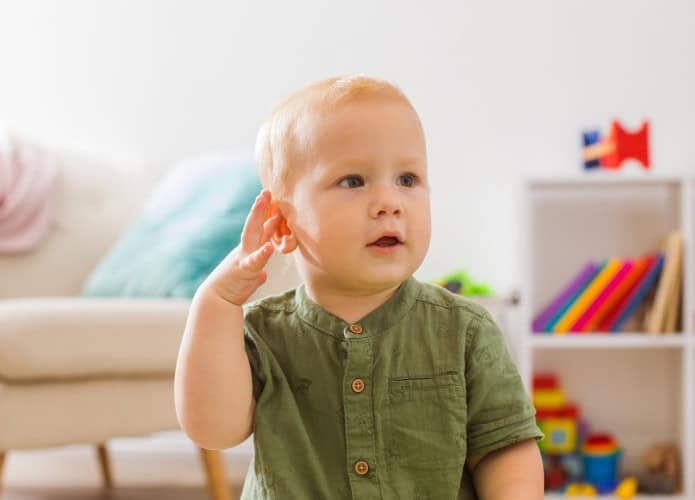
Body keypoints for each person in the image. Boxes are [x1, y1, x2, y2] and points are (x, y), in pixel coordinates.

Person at [175, 75, 544, 499]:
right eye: (353, 181)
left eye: (407, 179)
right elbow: (214, 429)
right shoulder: (261, 334)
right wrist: (215, 303)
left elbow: (504, 449)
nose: (390, 202)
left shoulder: (465, 330)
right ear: (283, 223)